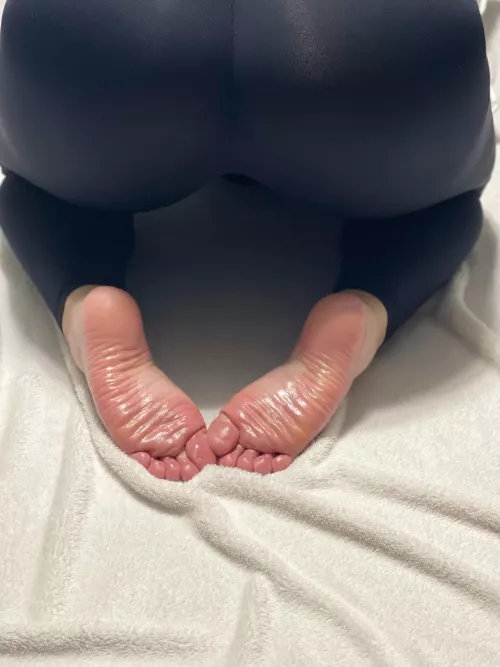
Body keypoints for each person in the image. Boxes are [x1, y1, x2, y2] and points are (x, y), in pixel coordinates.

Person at [0, 0, 494, 480]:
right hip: (366, 51)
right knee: (438, 206)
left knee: (43, 191)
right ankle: (364, 307)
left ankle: (86, 293)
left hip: (104, 44)